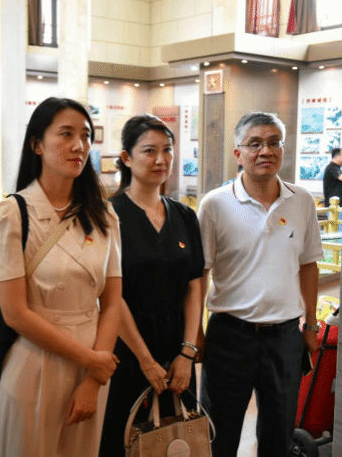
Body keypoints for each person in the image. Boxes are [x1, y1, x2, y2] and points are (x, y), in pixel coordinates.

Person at [0, 97, 122, 457]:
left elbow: (112, 302)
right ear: (37, 145)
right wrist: (91, 361)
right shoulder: (11, 214)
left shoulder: (104, 215)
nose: (79, 145)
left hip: (92, 367)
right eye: (66, 134)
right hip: (34, 362)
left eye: (86, 135)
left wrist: (94, 377)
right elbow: (15, 313)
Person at [197, 112, 324, 457]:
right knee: (219, 435)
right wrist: (195, 332)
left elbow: (308, 265)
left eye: (273, 142)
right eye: (254, 144)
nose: (265, 151)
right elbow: (200, 273)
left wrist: (311, 325)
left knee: (278, 437)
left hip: (285, 338)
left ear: (282, 148)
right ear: (238, 153)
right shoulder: (215, 204)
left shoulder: (301, 200)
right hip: (229, 336)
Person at [99, 114, 205, 456]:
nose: (161, 159)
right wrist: (145, 360)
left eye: (167, 150)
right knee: (126, 440)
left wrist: (187, 352)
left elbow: (194, 285)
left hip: (177, 350)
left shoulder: (184, 215)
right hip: (127, 350)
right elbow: (110, 295)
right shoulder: (108, 215)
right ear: (126, 157)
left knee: (179, 439)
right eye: (149, 151)